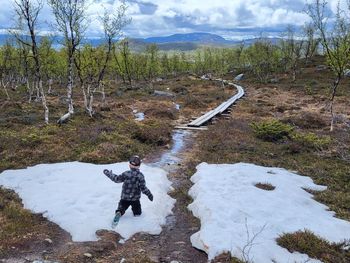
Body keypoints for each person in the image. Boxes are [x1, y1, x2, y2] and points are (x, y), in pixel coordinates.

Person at [103, 155, 153, 226]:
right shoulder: (140, 176)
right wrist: (149, 194)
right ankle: (137, 217)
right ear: (139, 166)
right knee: (137, 212)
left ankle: (119, 212)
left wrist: (109, 174)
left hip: (124, 197)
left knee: (122, 206)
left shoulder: (126, 174)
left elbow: (116, 179)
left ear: (129, 165)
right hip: (135, 199)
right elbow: (143, 188)